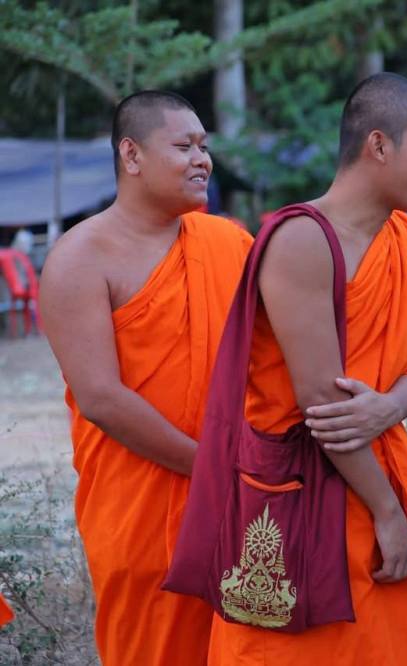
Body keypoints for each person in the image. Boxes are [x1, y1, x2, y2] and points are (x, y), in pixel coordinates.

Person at [205, 72, 407, 665]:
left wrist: (389, 407)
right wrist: (386, 512)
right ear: (379, 145)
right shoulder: (302, 240)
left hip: (385, 471)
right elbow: (324, 404)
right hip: (308, 496)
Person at [39, 91, 253, 665]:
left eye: (204, 146)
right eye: (184, 146)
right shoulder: (81, 258)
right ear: (131, 155)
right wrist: (215, 470)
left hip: (245, 500)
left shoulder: (228, 242)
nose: (202, 159)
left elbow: (273, 359)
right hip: (145, 512)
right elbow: (101, 398)